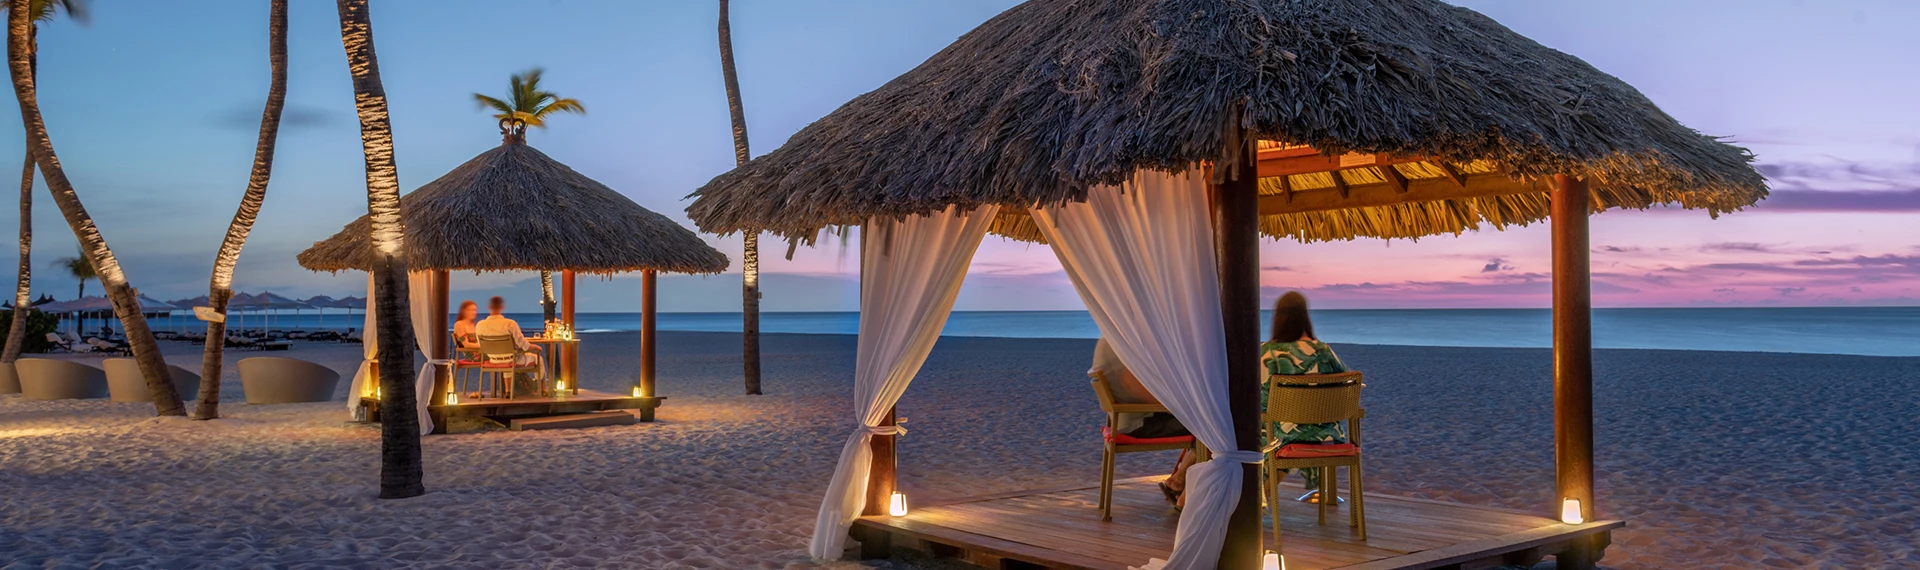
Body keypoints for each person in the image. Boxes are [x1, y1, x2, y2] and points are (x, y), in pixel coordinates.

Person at [1161, 291, 1350, 509]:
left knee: (1222, 428)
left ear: (1278, 319)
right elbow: (1345, 382)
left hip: (1280, 434)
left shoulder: (1266, 352)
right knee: (1269, 427)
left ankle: (1194, 496)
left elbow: (1241, 385)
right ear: (1305, 318)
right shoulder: (1324, 351)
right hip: (1325, 434)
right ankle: (1251, 496)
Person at [1092, 338, 1194, 505]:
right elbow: (1147, 395)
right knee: (1216, 426)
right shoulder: (1123, 347)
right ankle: (1185, 492)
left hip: (1124, 419)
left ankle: (1178, 481)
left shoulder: (1108, 340)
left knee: (1212, 422)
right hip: (1139, 423)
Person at [474, 296, 544, 384]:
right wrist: (537, 347)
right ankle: (542, 389)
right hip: (511, 360)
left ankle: (508, 391)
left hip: (493, 359)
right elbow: (525, 346)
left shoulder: (480, 325)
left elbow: (481, 345)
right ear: (502, 307)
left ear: (489, 307)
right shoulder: (510, 324)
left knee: (509, 354)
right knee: (538, 358)